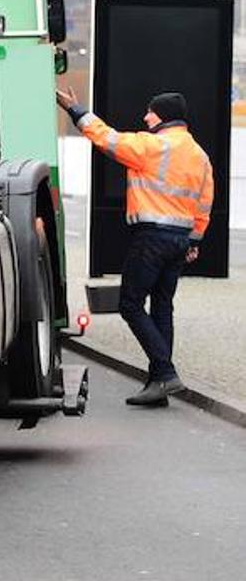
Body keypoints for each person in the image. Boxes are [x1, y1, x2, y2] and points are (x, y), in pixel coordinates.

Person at [58, 88, 215, 407]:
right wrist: (194, 240)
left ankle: (166, 373)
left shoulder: (154, 146)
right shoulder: (199, 155)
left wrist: (75, 110)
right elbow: (204, 201)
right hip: (180, 241)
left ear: (164, 117)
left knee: (130, 303)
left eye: (151, 112)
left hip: (152, 238)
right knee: (162, 306)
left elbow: (107, 139)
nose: (146, 117)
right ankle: (158, 383)